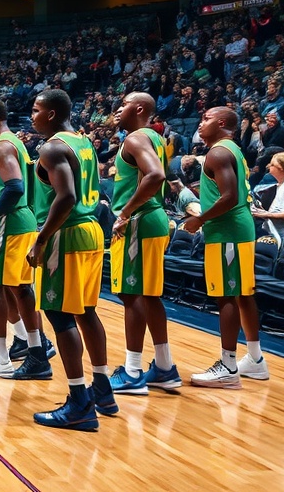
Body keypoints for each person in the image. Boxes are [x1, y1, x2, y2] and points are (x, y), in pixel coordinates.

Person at [28, 89, 114, 431]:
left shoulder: (52, 148)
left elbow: (65, 197)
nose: (32, 115)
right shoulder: (83, 142)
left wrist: (41, 239)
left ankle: (79, 402)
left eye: (36, 110)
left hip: (66, 234)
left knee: (60, 316)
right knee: (86, 311)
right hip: (91, 231)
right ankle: (102, 389)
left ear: (51, 114)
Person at [185, 107, 270, 387]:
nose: (201, 123)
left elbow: (229, 196)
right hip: (238, 228)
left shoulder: (218, 152)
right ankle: (255, 360)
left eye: (206, 118)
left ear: (221, 123)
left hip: (228, 231)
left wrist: (199, 218)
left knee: (227, 296)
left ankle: (228, 366)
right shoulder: (232, 149)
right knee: (243, 294)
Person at [0, 98, 53, 380]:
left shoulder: (1, 147)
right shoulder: (17, 143)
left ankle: (1, 358)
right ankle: (36, 350)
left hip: (8, 224)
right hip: (23, 220)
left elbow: (15, 187)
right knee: (21, 289)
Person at [108, 93, 181, 394]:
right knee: (149, 296)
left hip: (138, 221)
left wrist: (125, 212)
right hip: (153, 218)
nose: (118, 109)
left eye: (124, 104)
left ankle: (132, 372)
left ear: (139, 109)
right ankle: (164, 367)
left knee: (132, 294)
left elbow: (156, 175)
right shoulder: (155, 138)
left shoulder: (137, 138)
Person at [254, 151, 284, 240]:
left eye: (272, 164)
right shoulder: (279, 185)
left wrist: (268, 215)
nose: (268, 166)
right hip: (275, 232)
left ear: (281, 168)